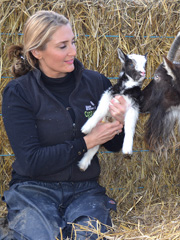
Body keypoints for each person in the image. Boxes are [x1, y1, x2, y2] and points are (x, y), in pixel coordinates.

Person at [1, 10, 127, 240]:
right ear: (37, 51)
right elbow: (32, 161)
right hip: (33, 189)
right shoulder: (18, 93)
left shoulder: (96, 83)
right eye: (62, 46)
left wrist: (119, 121)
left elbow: (115, 146)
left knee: (88, 235)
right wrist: (88, 141)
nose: (73, 52)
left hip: (85, 190)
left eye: (73, 42)